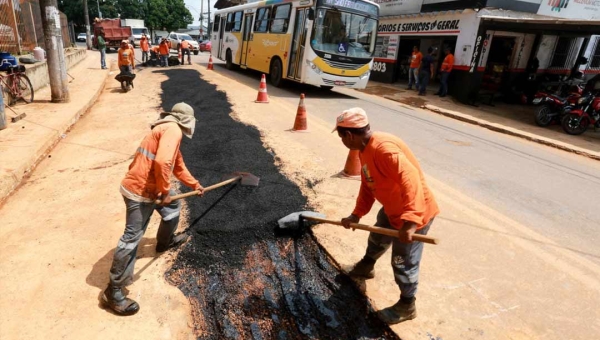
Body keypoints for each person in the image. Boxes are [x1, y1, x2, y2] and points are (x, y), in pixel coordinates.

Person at [334, 108, 439, 325]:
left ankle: (407, 305)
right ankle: (366, 266)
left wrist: (410, 222)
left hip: (415, 212)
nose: (341, 140)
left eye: (340, 136)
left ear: (349, 135)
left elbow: (411, 180)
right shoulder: (363, 149)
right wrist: (356, 214)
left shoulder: (384, 149)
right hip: (392, 207)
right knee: (377, 237)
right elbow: (368, 183)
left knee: (403, 261)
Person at [103, 102, 205, 316]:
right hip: (140, 192)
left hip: (150, 189)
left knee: (172, 210)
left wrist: (195, 184)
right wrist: (165, 190)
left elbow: (177, 165)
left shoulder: (166, 130)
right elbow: (162, 162)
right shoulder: (173, 130)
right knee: (132, 238)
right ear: (185, 121)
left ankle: (164, 242)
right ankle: (113, 292)